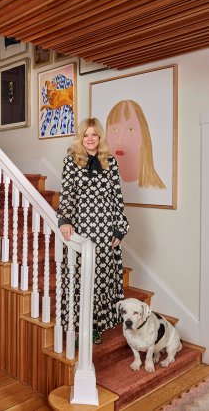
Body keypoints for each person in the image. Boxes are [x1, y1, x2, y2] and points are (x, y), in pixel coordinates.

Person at [57, 117, 129, 344]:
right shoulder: (71, 161)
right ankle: (77, 328)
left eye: (94, 134)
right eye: (86, 134)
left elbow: (117, 197)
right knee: (80, 279)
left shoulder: (110, 162)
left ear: (100, 137)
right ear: (81, 137)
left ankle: (94, 328)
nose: (90, 138)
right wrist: (65, 219)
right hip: (82, 227)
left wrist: (120, 228)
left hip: (106, 227)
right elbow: (67, 192)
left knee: (99, 280)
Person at [106, 100, 165, 189]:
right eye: (114, 130)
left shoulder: (153, 186)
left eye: (130, 129)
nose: (119, 141)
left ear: (143, 135)